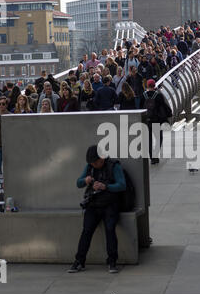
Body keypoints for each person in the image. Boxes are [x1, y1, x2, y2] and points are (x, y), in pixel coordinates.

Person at [68, 145, 126, 274]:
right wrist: (86, 180)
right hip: (93, 204)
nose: (94, 165)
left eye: (96, 162)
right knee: (86, 231)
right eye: (92, 163)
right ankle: (79, 261)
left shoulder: (114, 165)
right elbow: (78, 183)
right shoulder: (90, 167)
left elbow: (122, 185)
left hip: (110, 204)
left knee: (110, 230)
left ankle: (112, 261)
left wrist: (106, 186)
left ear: (102, 157)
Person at [140, 79, 172, 165]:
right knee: (158, 138)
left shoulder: (143, 95)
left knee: (149, 139)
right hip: (157, 120)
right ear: (154, 86)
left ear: (147, 86)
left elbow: (140, 108)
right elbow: (164, 107)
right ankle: (155, 155)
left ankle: (152, 157)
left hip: (147, 120)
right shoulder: (158, 95)